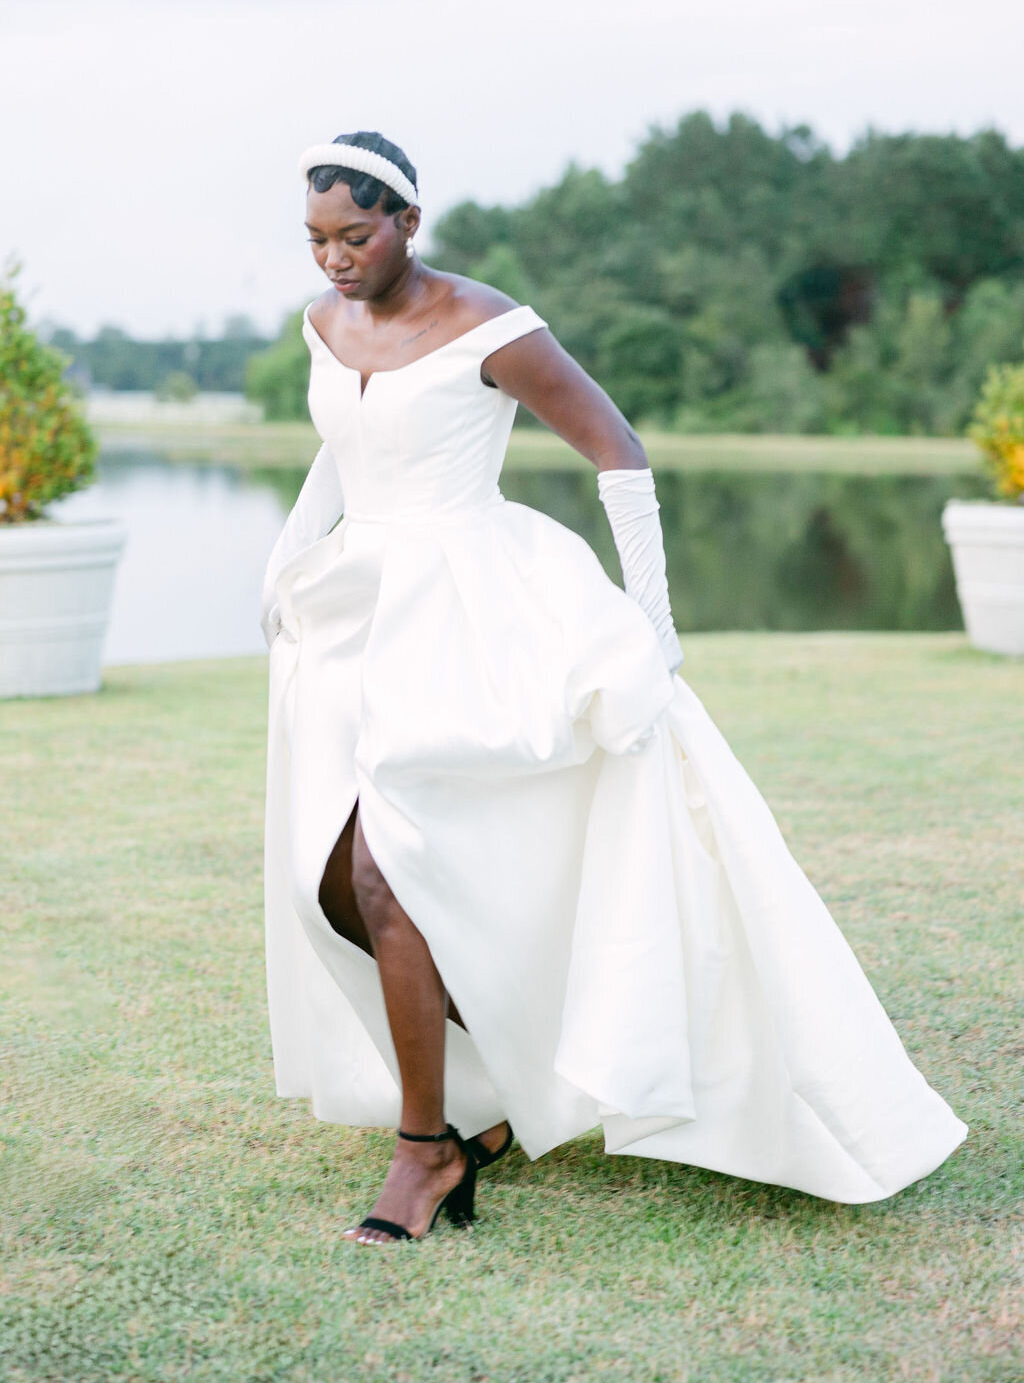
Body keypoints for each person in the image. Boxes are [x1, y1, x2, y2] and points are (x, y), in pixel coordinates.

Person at [260, 130, 966, 1246]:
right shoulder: (323, 324)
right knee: (332, 888)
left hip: (469, 610)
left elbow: (616, 447)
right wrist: (286, 562)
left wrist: (655, 626)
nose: (335, 259)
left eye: (355, 234)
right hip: (354, 613)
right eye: (315, 240)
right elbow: (342, 446)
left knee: (386, 866)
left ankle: (426, 1152)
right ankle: (494, 1088)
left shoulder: (487, 323)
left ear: (407, 221)